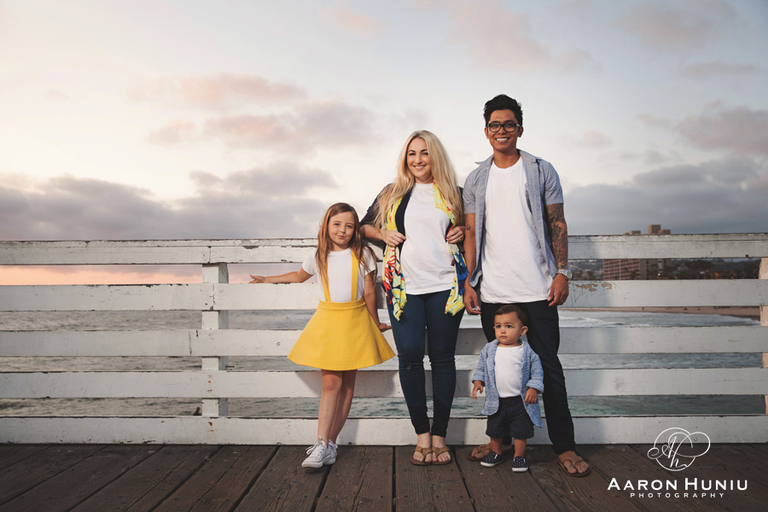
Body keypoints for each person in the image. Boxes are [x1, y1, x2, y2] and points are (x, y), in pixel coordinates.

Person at [463, 95, 591, 476]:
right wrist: (469, 282)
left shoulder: (540, 170)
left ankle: (564, 448)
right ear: (486, 132)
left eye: (508, 124)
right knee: (503, 371)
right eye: (494, 125)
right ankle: (499, 444)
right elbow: (470, 232)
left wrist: (562, 271)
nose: (501, 130)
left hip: (538, 291)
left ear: (520, 127)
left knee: (549, 369)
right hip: (494, 294)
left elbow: (557, 224)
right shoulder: (476, 179)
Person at [249, 202, 394, 469]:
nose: (343, 230)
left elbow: (371, 293)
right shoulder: (319, 255)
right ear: (326, 226)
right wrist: (269, 280)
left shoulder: (364, 254)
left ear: (355, 229)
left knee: (348, 386)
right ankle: (321, 443)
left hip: (356, 321)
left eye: (349, 226)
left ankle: (330, 445)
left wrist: (375, 324)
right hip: (329, 322)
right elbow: (298, 275)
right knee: (331, 385)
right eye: (337, 224)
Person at [361, 130, 466, 465]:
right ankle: (421, 436)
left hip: (445, 288)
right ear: (405, 159)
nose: (418, 160)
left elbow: (476, 230)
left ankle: (440, 437)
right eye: (412, 154)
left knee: (443, 359)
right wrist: (383, 232)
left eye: (424, 153)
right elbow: (363, 227)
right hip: (403, 289)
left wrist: (463, 231)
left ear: (435, 156)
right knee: (408, 358)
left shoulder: (455, 193)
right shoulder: (393, 192)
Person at [471, 305, 543, 471]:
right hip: (497, 401)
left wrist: (533, 388)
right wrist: (478, 381)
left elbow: (537, 371)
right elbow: (481, 366)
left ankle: (519, 457)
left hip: (520, 401)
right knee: (495, 430)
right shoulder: (490, 349)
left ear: (522, 330)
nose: (502, 331)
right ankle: (496, 453)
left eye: (509, 326)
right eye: (498, 326)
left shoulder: (527, 352)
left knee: (521, 431)